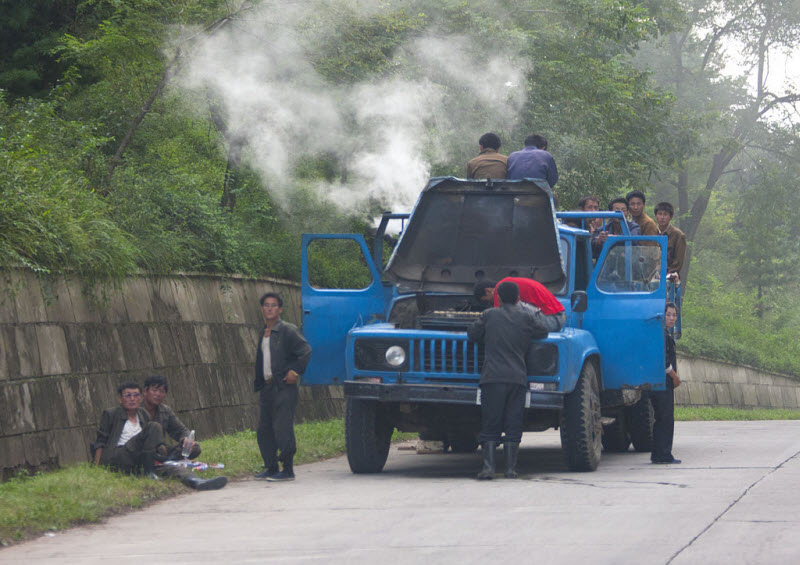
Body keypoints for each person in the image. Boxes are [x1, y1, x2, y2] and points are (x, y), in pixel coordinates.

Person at [467, 281, 551, 480]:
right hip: (517, 378)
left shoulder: (489, 315)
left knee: (491, 422)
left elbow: (472, 334)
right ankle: (511, 469)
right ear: (518, 298)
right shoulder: (526, 316)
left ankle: (488, 468)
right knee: (513, 422)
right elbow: (543, 331)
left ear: (500, 298)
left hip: (492, 378)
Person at [254, 292, 312, 482]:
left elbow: (305, 350)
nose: (269, 308)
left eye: (273, 305)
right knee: (264, 430)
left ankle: (287, 470)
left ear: (280, 309)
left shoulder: (287, 329)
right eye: (266, 305)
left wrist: (295, 371)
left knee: (282, 428)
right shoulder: (264, 332)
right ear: (262, 309)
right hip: (267, 387)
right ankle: (271, 467)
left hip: (283, 388)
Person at [142, 375, 227, 490]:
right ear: (145, 391)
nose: (157, 394)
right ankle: (195, 480)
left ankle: (169, 461)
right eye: (154, 390)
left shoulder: (164, 411)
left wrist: (186, 440)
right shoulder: (136, 410)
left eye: (161, 391)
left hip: (163, 452)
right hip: (144, 454)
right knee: (169, 466)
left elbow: (180, 430)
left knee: (195, 447)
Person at [92, 382, 165, 479]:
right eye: (128, 396)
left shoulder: (143, 414)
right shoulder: (111, 414)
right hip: (120, 455)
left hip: (139, 456)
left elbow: (150, 442)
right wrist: (97, 468)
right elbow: (100, 442)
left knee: (178, 450)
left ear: (141, 398)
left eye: (136, 395)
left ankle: (189, 478)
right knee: (154, 426)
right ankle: (148, 472)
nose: (132, 399)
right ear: (120, 399)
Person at [474, 277, 565, 333]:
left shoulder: (500, 291)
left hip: (552, 319)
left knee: (509, 309)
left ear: (488, 291)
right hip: (556, 317)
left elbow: (499, 318)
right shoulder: (507, 284)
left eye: (486, 301)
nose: (489, 303)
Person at [651, 302, 681, 464]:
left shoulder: (665, 334)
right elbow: (664, 362)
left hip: (661, 382)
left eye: (674, 315)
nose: (671, 318)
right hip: (663, 382)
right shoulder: (662, 335)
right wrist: (675, 377)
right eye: (668, 314)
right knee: (666, 418)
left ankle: (657, 454)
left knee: (661, 418)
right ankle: (663, 454)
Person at [653, 201, 687, 280]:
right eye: (660, 214)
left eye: (665, 215)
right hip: (653, 275)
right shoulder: (653, 232)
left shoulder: (678, 235)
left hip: (669, 277)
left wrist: (669, 274)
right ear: (656, 216)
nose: (662, 217)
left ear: (670, 217)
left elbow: (678, 260)